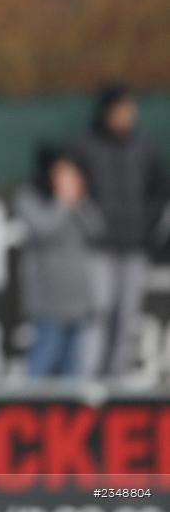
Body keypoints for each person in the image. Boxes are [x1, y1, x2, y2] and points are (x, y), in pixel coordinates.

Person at [72, 83, 170, 377]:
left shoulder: (144, 145)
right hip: (98, 247)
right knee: (98, 312)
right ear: (106, 112)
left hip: (135, 245)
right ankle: (89, 379)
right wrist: (93, 225)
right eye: (120, 109)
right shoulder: (86, 145)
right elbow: (75, 195)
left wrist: (148, 226)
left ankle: (118, 379)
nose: (126, 115)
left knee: (128, 316)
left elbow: (159, 191)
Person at [15, 144, 104, 378]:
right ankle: (31, 412)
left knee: (73, 365)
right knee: (44, 356)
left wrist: (80, 200)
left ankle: (68, 413)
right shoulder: (29, 196)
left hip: (77, 295)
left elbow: (97, 230)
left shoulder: (78, 201)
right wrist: (63, 201)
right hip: (48, 296)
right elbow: (45, 229)